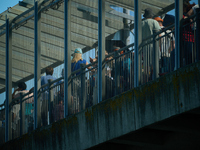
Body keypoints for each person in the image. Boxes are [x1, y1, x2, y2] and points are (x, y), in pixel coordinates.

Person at [142, 8, 161, 82]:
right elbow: (158, 34)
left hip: (145, 46)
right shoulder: (154, 22)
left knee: (146, 65)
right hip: (154, 45)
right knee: (155, 62)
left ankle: (146, 79)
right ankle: (154, 77)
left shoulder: (141, 24)